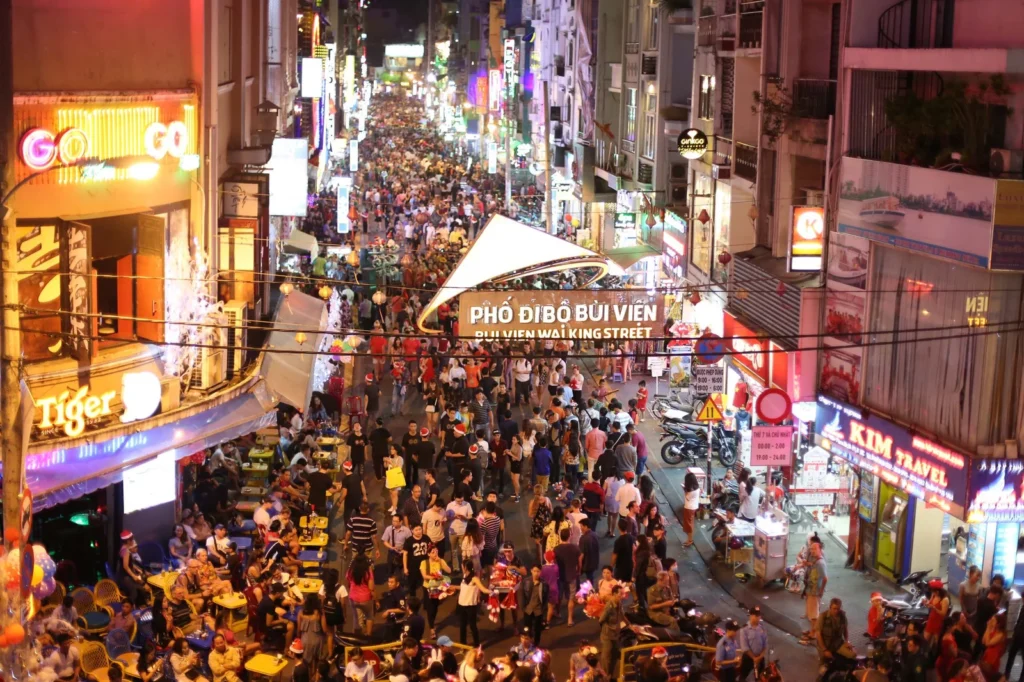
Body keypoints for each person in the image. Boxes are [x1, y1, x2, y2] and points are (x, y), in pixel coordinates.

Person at [457, 565, 491, 646]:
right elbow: (462, 587)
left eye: (462, 566)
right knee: (462, 626)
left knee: (472, 626)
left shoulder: (475, 579)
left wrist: (492, 592)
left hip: (471, 605)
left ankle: (476, 645)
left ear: (465, 567)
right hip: (462, 604)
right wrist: (451, 587)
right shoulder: (464, 576)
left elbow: (483, 589)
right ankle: (463, 645)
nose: (462, 568)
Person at [800, 543, 828, 645]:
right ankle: (812, 630)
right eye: (811, 549)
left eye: (814, 549)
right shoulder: (815, 560)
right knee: (812, 613)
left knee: (813, 615)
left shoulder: (820, 563)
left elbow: (825, 578)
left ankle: (813, 633)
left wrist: (821, 591)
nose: (812, 551)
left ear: (820, 549)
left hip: (814, 592)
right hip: (810, 590)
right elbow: (811, 565)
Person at [816, 598, 854, 664]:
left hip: (838, 643)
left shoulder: (842, 616)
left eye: (838, 609)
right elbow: (818, 634)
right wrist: (824, 650)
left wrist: (847, 641)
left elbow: (845, 629)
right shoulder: (823, 616)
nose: (836, 611)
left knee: (853, 655)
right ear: (830, 607)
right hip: (825, 644)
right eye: (834, 608)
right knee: (825, 665)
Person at [598, 585, 624, 678]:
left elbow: (622, 615)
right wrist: (608, 628)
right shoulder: (609, 606)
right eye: (620, 594)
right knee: (606, 657)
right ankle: (605, 677)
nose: (622, 595)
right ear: (614, 594)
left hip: (615, 634)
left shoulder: (619, 603)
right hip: (607, 635)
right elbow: (601, 620)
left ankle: (610, 675)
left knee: (615, 654)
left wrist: (630, 625)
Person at [347, 554, 376, 637]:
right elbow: (371, 588)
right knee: (369, 616)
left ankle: (356, 636)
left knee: (356, 617)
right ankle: (368, 635)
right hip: (366, 599)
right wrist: (376, 599)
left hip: (353, 598)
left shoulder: (350, 571)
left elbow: (348, 582)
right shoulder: (368, 571)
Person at [521, 564, 549, 645]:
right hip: (528, 609)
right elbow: (521, 594)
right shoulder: (526, 581)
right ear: (531, 571)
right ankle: (527, 643)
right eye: (534, 571)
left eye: (538, 571)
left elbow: (546, 597)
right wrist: (523, 607)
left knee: (538, 629)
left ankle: (536, 643)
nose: (536, 573)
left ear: (540, 572)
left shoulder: (544, 583)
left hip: (538, 610)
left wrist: (543, 609)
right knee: (527, 628)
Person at [738, 606, 768, 680]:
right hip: (748, 658)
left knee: (761, 678)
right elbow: (745, 647)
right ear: (751, 616)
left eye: (759, 615)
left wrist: (760, 657)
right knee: (742, 677)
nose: (758, 618)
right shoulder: (744, 629)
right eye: (756, 616)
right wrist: (754, 658)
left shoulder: (762, 627)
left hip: (760, 658)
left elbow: (765, 644)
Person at [611, 518, 634, 584]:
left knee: (619, 585)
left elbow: (614, 556)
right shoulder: (631, 537)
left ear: (618, 527)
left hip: (620, 567)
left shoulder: (618, 541)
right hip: (629, 565)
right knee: (627, 584)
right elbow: (633, 549)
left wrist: (611, 567)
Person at [682, 472, 700, 548]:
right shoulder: (697, 488)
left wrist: (684, 490)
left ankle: (690, 540)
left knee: (689, 524)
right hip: (694, 507)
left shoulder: (691, 491)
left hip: (689, 508)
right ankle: (689, 539)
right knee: (690, 523)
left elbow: (687, 497)